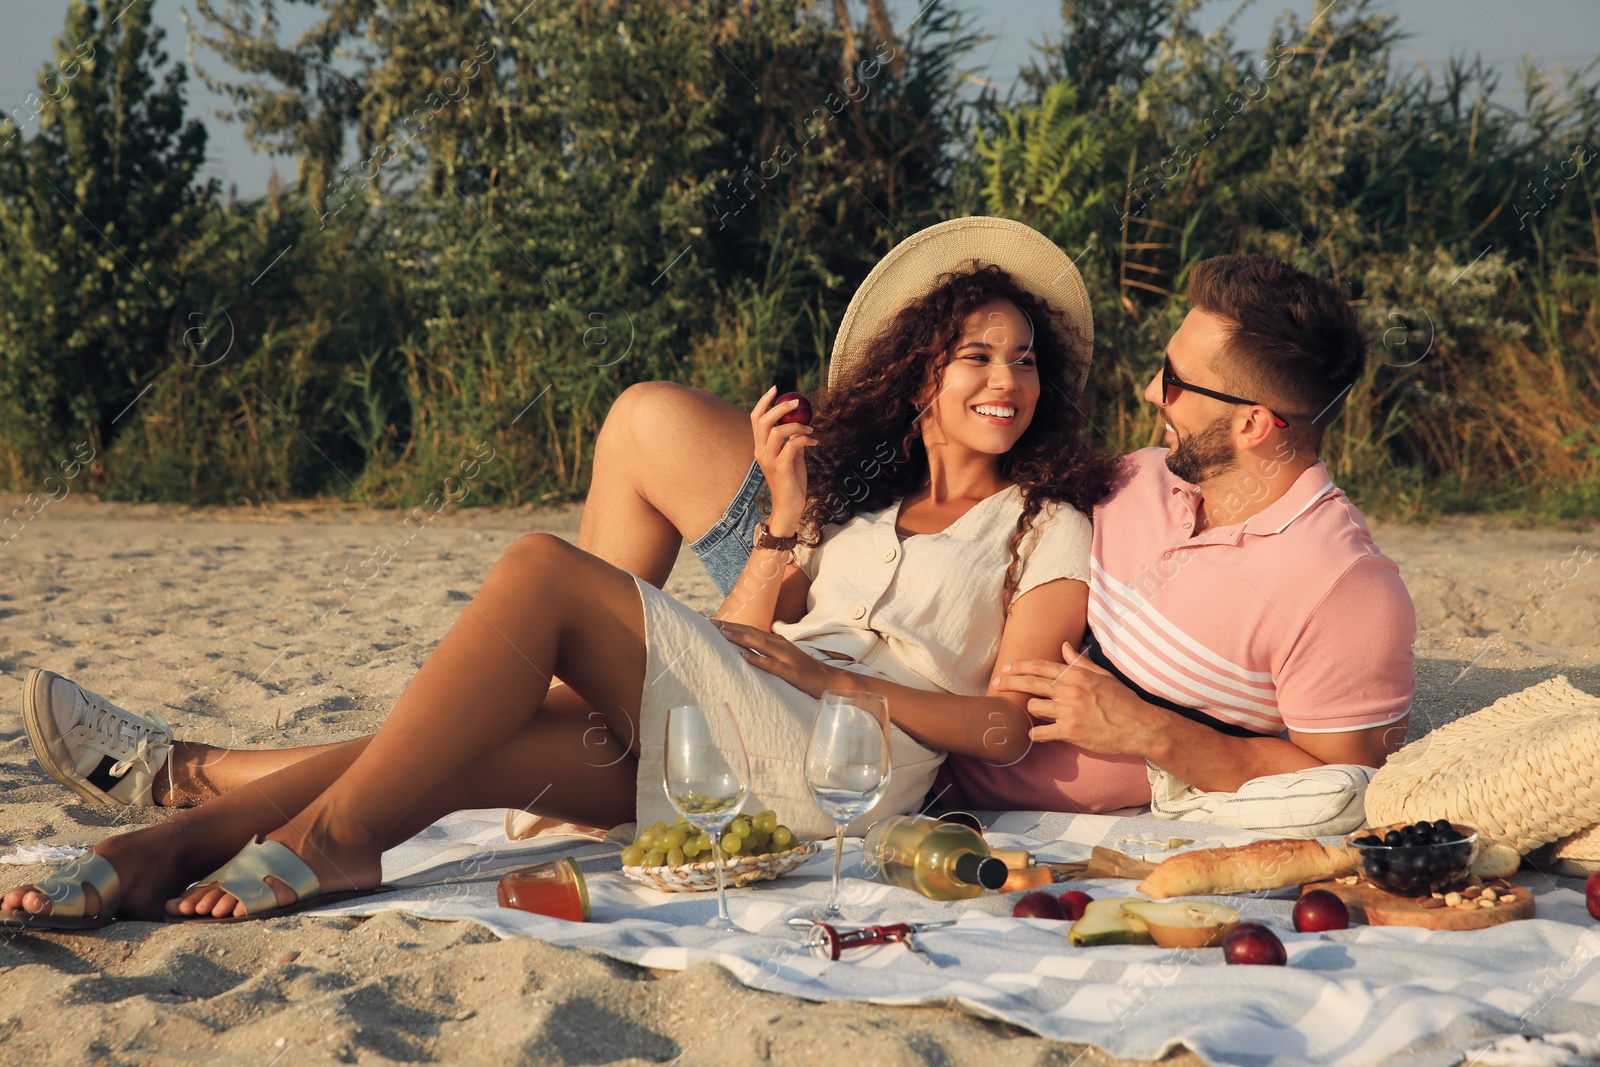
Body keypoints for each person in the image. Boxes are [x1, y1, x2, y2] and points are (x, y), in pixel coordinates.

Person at [5, 216, 1139, 927]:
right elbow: (744, 635)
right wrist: (786, 532)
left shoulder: (1047, 523)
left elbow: (1001, 729)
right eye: (977, 357)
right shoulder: (862, 509)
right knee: (453, 752)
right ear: (918, 376)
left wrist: (833, 678)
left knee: (542, 573)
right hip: (738, 734)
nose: (1008, 381)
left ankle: (329, 840)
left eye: (1026, 361)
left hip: (836, 765)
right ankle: (144, 849)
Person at [561, 247, 1418, 834]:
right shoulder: (1147, 479)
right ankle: (575, 692)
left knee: (573, 660)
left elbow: (1347, 787)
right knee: (648, 421)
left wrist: (1158, 733)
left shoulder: (1342, 589)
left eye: (1179, 382)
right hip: (875, 573)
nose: (1152, 388)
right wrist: (852, 458)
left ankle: (574, 703)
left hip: (915, 728)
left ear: (1259, 425)